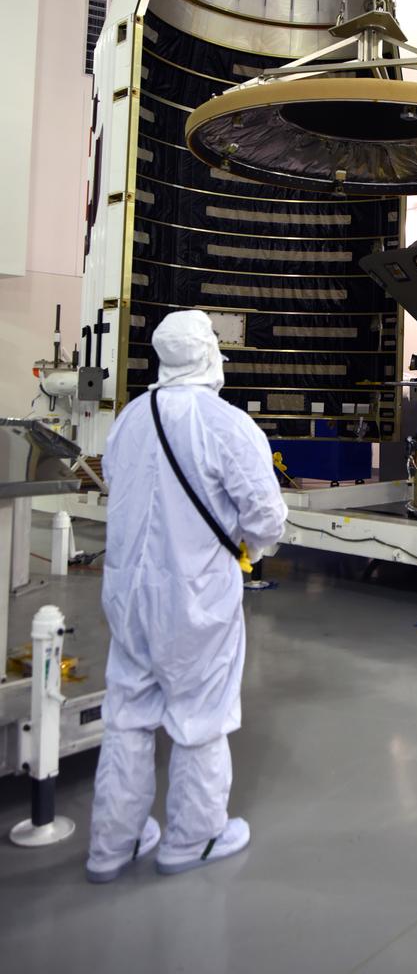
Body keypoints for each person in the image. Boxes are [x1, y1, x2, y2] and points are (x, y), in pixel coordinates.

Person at [86, 310, 287, 883]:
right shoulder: (226, 424)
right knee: (201, 716)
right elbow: (266, 518)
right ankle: (192, 839)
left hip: (126, 594)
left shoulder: (128, 420)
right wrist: (251, 548)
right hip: (196, 598)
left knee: (127, 714)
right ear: (206, 355)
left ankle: (112, 845)